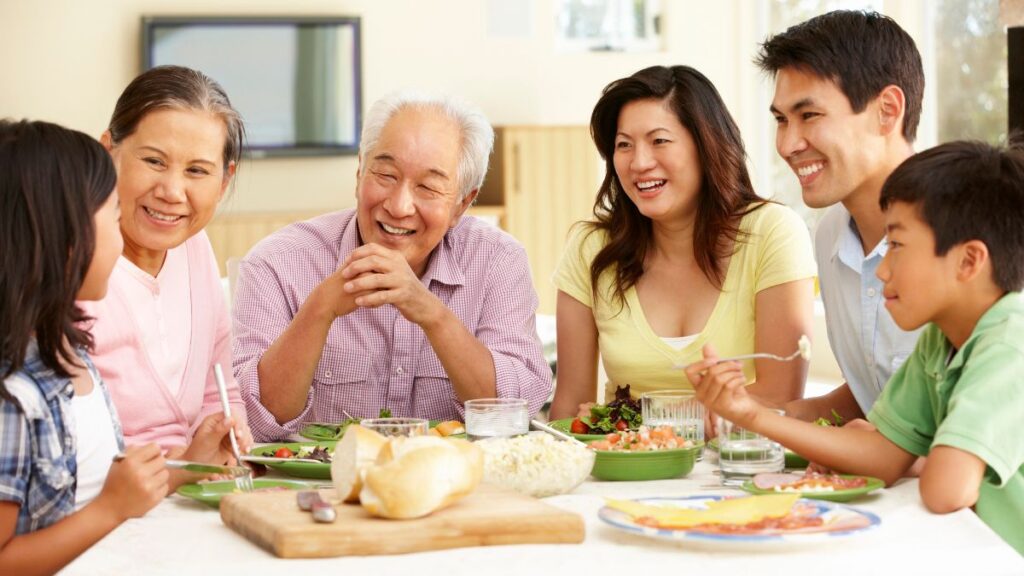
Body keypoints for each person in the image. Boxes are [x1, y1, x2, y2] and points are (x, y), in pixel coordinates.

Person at [688, 140, 1024, 555]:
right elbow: (880, 454)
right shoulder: (940, 341)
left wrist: (917, 457)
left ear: (969, 261)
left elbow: (945, 491)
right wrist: (749, 413)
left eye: (897, 246)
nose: (882, 270)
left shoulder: (1011, 341)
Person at [232, 91, 551, 441]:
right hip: (321, 490)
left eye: (428, 187)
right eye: (385, 175)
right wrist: (320, 309)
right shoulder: (279, 262)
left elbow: (515, 413)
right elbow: (253, 421)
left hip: (454, 486)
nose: (399, 206)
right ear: (359, 172)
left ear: (462, 203)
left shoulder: (497, 261)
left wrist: (432, 314)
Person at [548, 65, 816, 421]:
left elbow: (778, 397)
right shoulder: (591, 248)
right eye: (624, 145)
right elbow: (570, 407)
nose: (639, 163)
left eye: (659, 141)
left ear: (707, 146)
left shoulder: (772, 232)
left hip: (739, 466)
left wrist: (633, 421)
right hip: (628, 472)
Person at [0, 119, 168, 575]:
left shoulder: (71, 353)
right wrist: (110, 510)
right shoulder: (12, 395)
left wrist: (191, 465)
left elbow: (99, 483)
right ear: (67, 241)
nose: (123, 236)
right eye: (114, 218)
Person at [82, 65, 252, 488]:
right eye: (154, 161)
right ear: (109, 151)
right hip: (102, 506)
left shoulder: (194, 246)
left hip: (188, 496)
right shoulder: (70, 263)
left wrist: (228, 437)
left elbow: (219, 384)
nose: (172, 192)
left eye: (197, 171)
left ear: (225, 177)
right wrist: (181, 469)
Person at [756, 10, 925, 423]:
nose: (788, 144)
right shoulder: (830, 234)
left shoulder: (970, 232)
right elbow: (886, 388)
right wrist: (773, 417)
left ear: (887, 110)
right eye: (781, 120)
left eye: (809, 115)